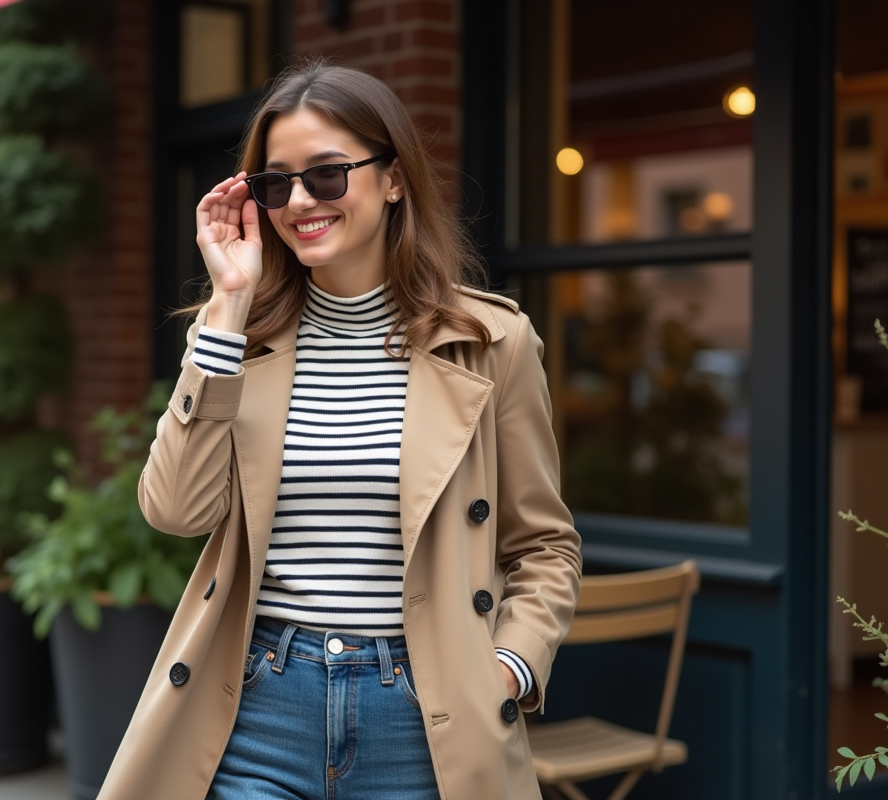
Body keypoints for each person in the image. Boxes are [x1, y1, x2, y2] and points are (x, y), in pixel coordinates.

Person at [98, 60, 582, 800]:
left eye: (326, 175)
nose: (299, 201)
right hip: (257, 703)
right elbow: (175, 511)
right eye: (274, 183)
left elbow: (543, 543)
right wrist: (228, 306)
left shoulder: (492, 340)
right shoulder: (235, 339)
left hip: (425, 713)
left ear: (393, 179)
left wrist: (510, 666)